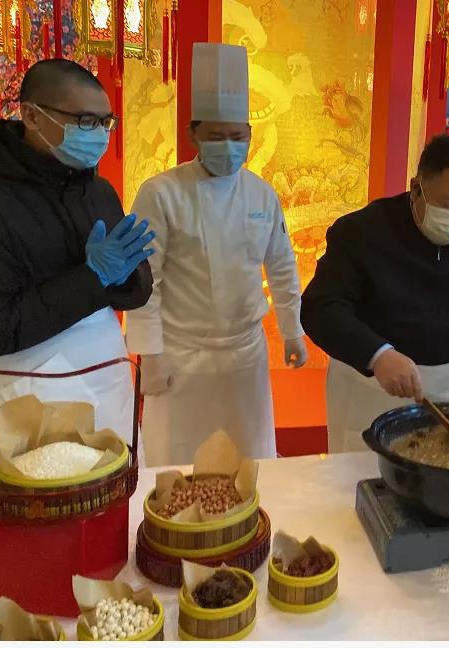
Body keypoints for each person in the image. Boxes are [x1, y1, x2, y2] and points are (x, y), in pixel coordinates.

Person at [0, 59, 154, 479]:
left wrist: (126, 276)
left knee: (114, 497)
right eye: (85, 121)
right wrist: (92, 278)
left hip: (104, 379)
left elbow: (135, 289)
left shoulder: (98, 190)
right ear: (31, 115)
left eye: (105, 122)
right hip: (19, 392)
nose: (98, 134)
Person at [125, 43, 306, 466]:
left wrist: (292, 330)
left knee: (249, 461)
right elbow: (145, 282)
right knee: (176, 466)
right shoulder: (160, 193)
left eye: (237, 137)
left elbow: (281, 266)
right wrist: (150, 354)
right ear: (193, 135)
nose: (228, 146)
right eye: (215, 137)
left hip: (245, 355)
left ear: (250, 135)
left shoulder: (262, 194)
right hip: (180, 357)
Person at [300, 135, 449, 453]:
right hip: (370, 386)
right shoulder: (362, 232)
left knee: (444, 466)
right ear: (416, 187)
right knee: (362, 472)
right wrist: (378, 354)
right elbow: (320, 308)